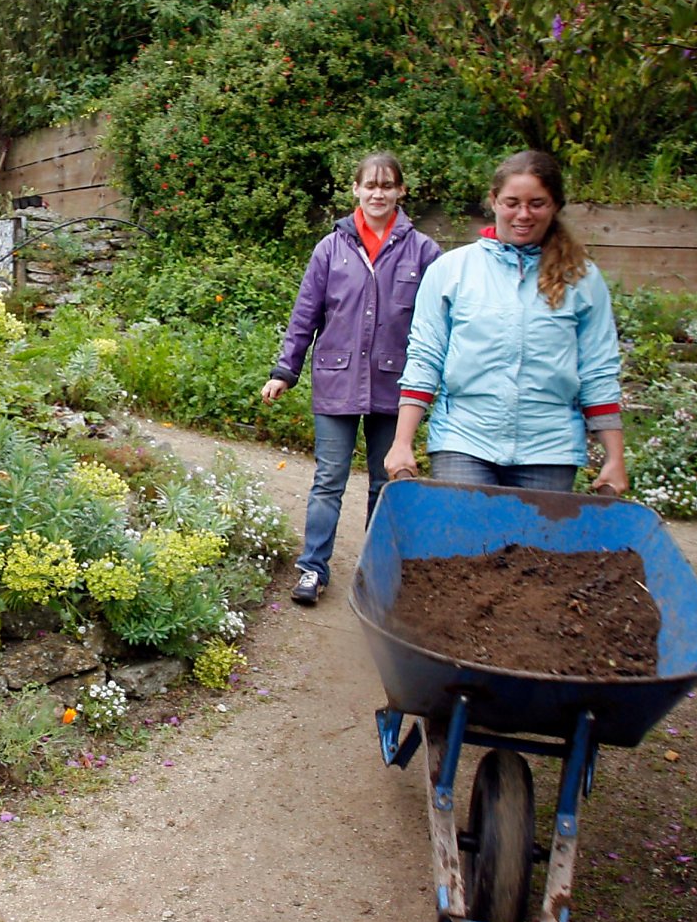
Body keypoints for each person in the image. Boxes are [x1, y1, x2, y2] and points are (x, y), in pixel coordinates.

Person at [381, 149, 628, 496]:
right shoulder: (452, 271)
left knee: (536, 552)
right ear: (494, 200)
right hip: (463, 441)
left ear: (555, 205)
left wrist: (614, 459)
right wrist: (402, 443)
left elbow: (598, 369)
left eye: (537, 203)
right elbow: (425, 358)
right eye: (512, 202)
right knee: (464, 549)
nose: (523, 214)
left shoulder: (582, 279)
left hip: (550, 449)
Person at [261, 152, 442, 606]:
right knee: (329, 480)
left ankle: (375, 576)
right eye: (370, 185)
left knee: (386, 484)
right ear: (356, 190)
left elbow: (442, 324)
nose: (378, 193)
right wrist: (286, 370)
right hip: (336, 382)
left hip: (395, 387)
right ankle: (312, 568)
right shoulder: (331, 248)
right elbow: (306, 314)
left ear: (401, 191)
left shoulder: (424, 252)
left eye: (387, 185)